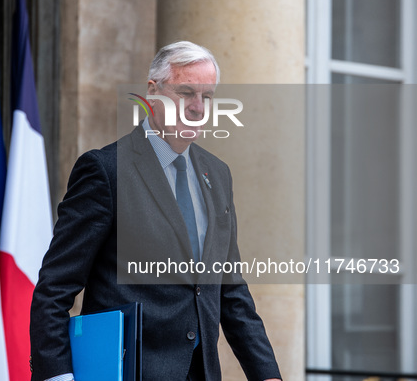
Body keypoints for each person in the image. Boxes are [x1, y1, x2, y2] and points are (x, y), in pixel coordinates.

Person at [30, 41, 281, 381]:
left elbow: (231, 292)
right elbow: (55, 287)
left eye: (206, 97)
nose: (197, 107)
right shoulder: (106, 170)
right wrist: (58, 375)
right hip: (128, 372)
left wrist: (267, 374)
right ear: (153, 92)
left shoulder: (217, 174)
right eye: (186, 92)